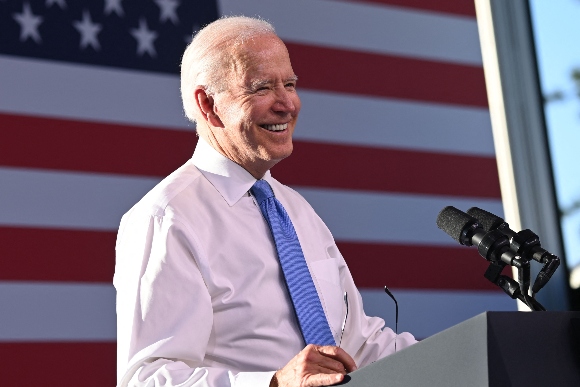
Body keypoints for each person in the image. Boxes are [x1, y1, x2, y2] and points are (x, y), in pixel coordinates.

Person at [114, 16, 416, 387]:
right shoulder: (167, 218)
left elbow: (359, 345)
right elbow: (147, 380)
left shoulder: (297, 211)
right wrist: (274, 383)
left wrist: (467, 354)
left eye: (290, 84)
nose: (287, 104)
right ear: (208, 104)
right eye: (262, 88)